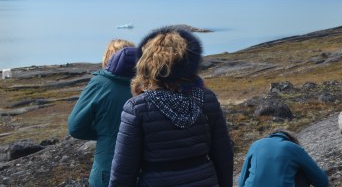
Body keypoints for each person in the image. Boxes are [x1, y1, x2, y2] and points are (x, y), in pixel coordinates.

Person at [109, 26, 234, 187]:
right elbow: (223, 155)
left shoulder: (137, 108)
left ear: (148, 64)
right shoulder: (207, 98)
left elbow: (123, 171)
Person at [67, 39, 138, 187]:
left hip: (107, 168)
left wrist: (103, 132)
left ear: (107, 58)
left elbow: (75, 127)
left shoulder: (100, 83)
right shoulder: (148, 85)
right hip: (142, 170)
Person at [238, 129, 329, 187]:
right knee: (302, 171)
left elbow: (241, 182)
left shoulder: (256, 145)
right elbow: (323, 182)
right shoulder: (293, 147)